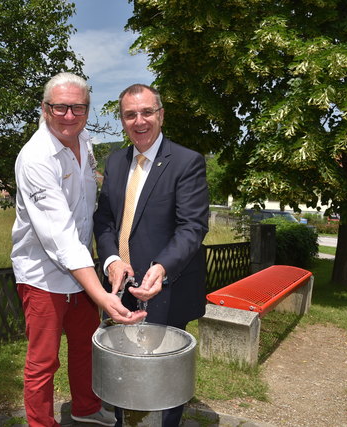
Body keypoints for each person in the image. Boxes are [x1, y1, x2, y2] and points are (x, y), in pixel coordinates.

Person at [11, 73, 147, 427]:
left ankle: (86, 409)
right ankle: (40, 423)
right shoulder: (36, 158)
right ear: (44, 109)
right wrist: (103, 296)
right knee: (43, 360)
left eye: (79, 108)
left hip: (82, 272)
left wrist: (111, 259)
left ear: (87, 109)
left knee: (87, 347)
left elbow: (90, 212)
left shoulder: (84, 142)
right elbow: (60, 237)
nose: (69, 116)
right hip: (43, 276)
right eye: (60, 107)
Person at [93, 83, 210, 427]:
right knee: (122, 370)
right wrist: (112, 259)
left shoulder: (187, 162)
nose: (139, 121)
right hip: (121, 288)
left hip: (167, 290)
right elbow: (104, 219)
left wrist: (162, 267)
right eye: (130, 114)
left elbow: (192, 227)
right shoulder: (114, 161)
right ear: (122, 120)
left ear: (161, 115)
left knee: (161, 384)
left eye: (147, 112)